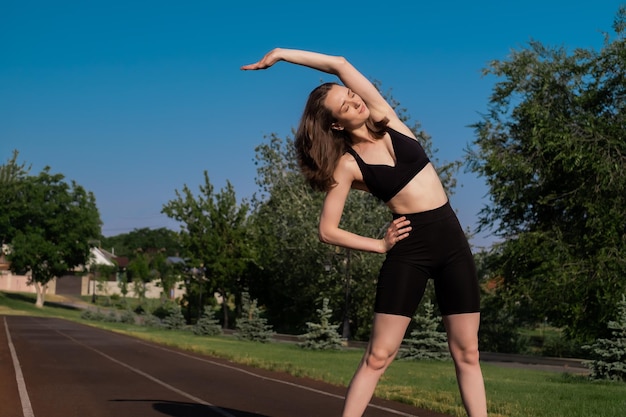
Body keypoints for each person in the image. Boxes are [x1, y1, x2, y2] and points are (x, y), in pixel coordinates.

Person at [242, 48, 487, 417]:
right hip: (409, 250)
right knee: (378, 356)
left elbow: (338, 64)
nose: (354, 99)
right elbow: (327, 230)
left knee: (467, 352)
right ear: (336, 124)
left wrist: (280, 54)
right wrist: (378, 244)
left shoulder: (389, 119)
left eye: (351, 94)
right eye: (344, 104)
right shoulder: (347, 166)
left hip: (452, 241)